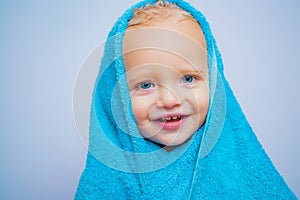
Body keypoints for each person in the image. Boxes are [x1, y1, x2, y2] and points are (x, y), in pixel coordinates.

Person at [75, 0, 296, 199]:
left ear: (214, 85)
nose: (170, 100)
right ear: (116, 96)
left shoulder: (242, 170)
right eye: (146, 85)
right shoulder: (107, 180)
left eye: (188, 78)